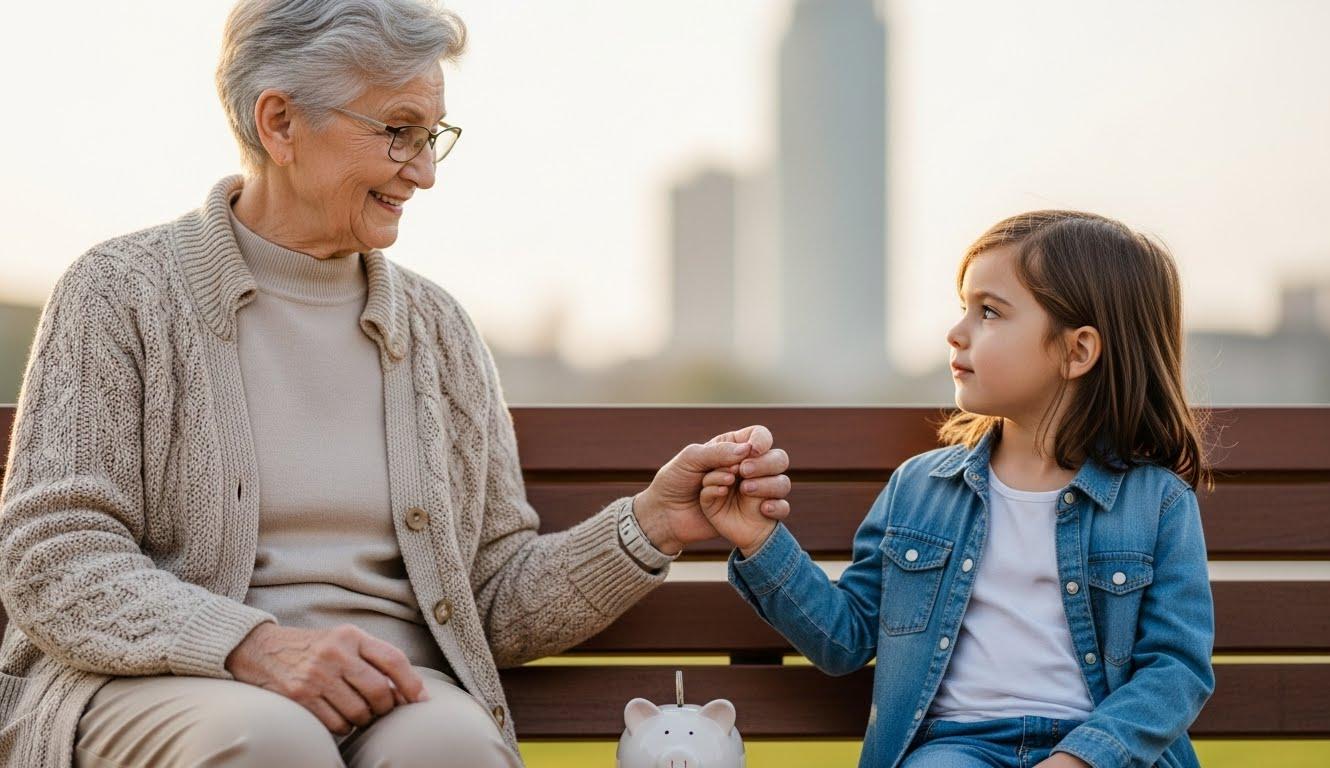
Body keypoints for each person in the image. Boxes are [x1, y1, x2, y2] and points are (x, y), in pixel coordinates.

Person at [0, 1, 792, 766]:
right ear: (279, 123)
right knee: (272, 741)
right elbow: (55, 558)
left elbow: (490, 595)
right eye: (397, 134)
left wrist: (650, 523)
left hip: (400, 689)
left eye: (431, 136)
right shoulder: (118, 292)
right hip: (165, 684)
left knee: (452, 748)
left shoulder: (438, 330)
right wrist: (252, 646)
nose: (423, 172)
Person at [708, 211, 1215, 767]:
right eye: (963, 307)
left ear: (1077, 351)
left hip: (1102, 751)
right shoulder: (920, 488)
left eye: (990, 312)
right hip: (958, 747)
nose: (956, 332)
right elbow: (845, 638)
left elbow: (1176, 668)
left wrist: (1082, 758)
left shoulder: (1158, 502)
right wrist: (758, 539)